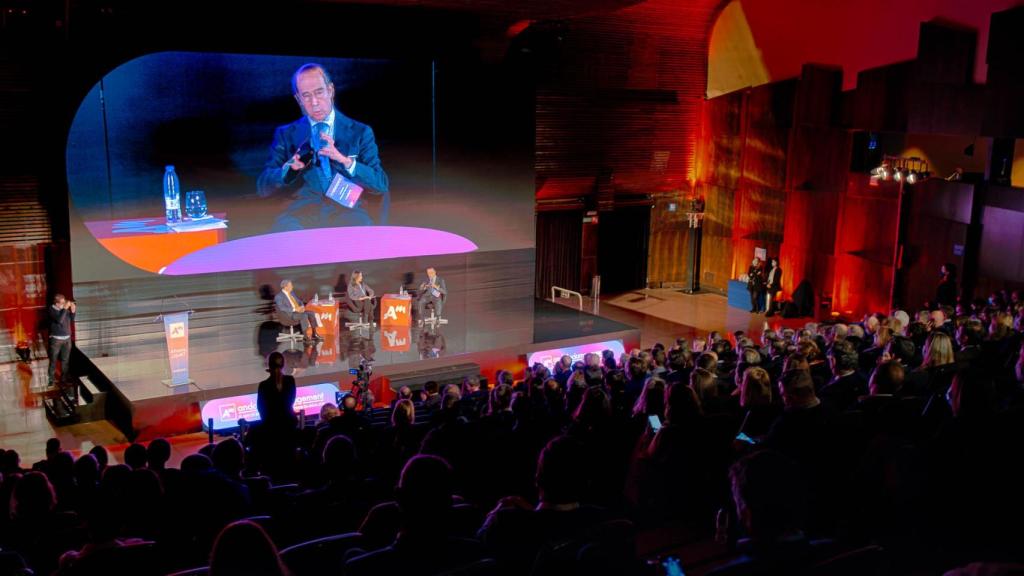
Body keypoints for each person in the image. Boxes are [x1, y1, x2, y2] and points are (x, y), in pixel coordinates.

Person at [256, 63, 389, 231]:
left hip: (347, 212)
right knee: (286, 236)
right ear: (299, 100)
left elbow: (380, 184)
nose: (314, 102)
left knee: (362, 234)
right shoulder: (286, 134)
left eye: (319, 92)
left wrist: (346, 161)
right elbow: (262, 186)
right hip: (301, 214)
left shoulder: (360, 132)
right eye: (306, 96)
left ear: (331, 90)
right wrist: (285, 171)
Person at [256, 352, 297, 430]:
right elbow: (291, 401)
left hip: (270, 426)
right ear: (283, 365)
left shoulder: (263, 385)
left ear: (269, 365)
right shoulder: (290, 380)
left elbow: (260, 408)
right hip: (290, 423)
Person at [48, 294, 76, 386]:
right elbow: (59, 320)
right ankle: (51, 380)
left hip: (67, 339)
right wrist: (65, 308)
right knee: (53, 360)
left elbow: (71, 319)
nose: (64, 304)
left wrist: (73, 311)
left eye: (64, 302)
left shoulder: (64, 310)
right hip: (56, 339)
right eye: (62, 303)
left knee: (65, 360)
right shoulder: (51, 310)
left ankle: (64, 379)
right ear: (56, 303)